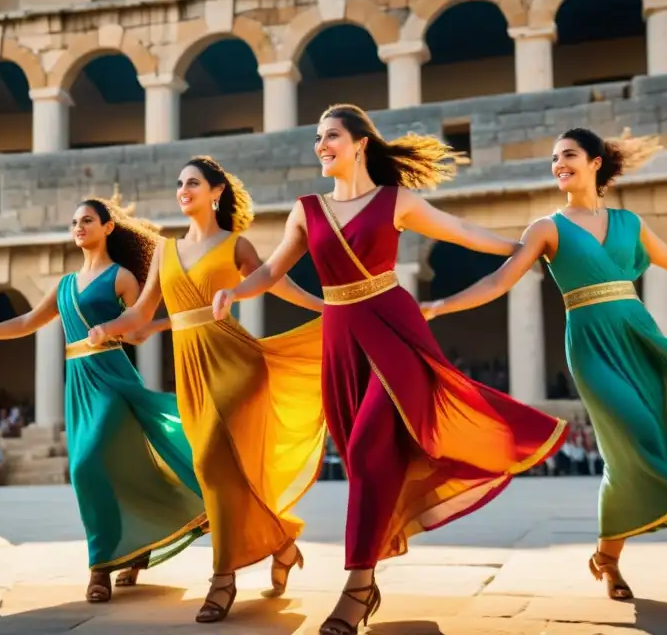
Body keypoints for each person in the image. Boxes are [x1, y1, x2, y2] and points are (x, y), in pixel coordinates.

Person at [211, 104, 567, 635]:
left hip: (393, 330)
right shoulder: (306, 210)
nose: (321, 144)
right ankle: (369, 577)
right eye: (317, 137)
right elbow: (269, 269)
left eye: (332, 135)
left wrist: (521, 249)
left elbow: (459, 230)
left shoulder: (394, 200)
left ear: (360, 144)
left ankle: (355, 587)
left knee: (366, 445)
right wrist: (236, 291)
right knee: (364, 463)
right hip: (340, 340)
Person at [418, 127, 667, 601]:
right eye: (554, 157)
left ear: (595, 162)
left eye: (568, 155)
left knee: (627, 450)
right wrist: (439, 306)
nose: (558, 163)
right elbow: (500, 282)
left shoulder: (630, 223)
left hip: (638, 336)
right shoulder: (546, 228)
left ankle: (608, 559)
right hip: (588, 342)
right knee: (633, 428)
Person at [0, 193, 208, 603]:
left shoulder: (121, 278)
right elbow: (26, 322)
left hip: (112, 378)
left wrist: (143, 324)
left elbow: (138, 328)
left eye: (88, 221)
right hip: (77, 382)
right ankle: (132, 550)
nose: (79, 228)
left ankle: (99, 568)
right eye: (74, 223)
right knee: (116, 470)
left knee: (85, 464)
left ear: (108, 227)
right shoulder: (63, 286)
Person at [87, 156, 327, 624]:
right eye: (179, 183)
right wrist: (108, 327)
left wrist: (325, 306)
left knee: (215, 461)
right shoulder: (165, 252)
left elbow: (276, 282)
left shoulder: (234, 245)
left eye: (192, 183)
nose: (183, 189)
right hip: (191, 371)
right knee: (218, 471)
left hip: (237, 365)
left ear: (216, 192)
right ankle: (283, 543)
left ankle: (223, 579)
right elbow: (139, 314)